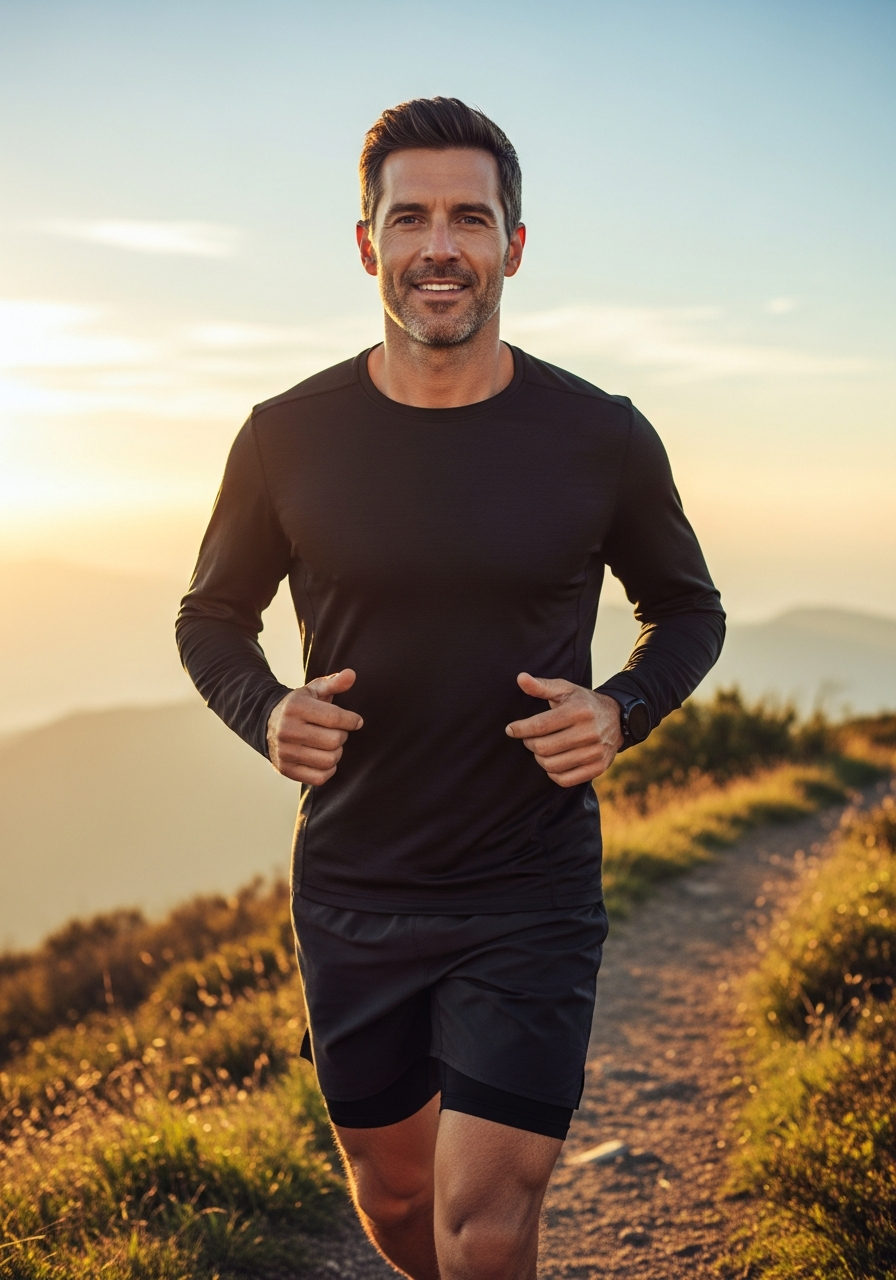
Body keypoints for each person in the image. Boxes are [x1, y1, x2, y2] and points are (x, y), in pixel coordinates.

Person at [176, 96, 725, 1280]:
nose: (440, 246)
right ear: (365, 241)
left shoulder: (600, 435)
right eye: (409, 216)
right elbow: (211, 616)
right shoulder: (284, 436)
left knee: (485, 1216)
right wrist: (262, 707)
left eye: (468, 218)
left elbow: (688, 608)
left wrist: (617, 710)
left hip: (528, 884)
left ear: (511, 245)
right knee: (395, 1198)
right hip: (354, 881)